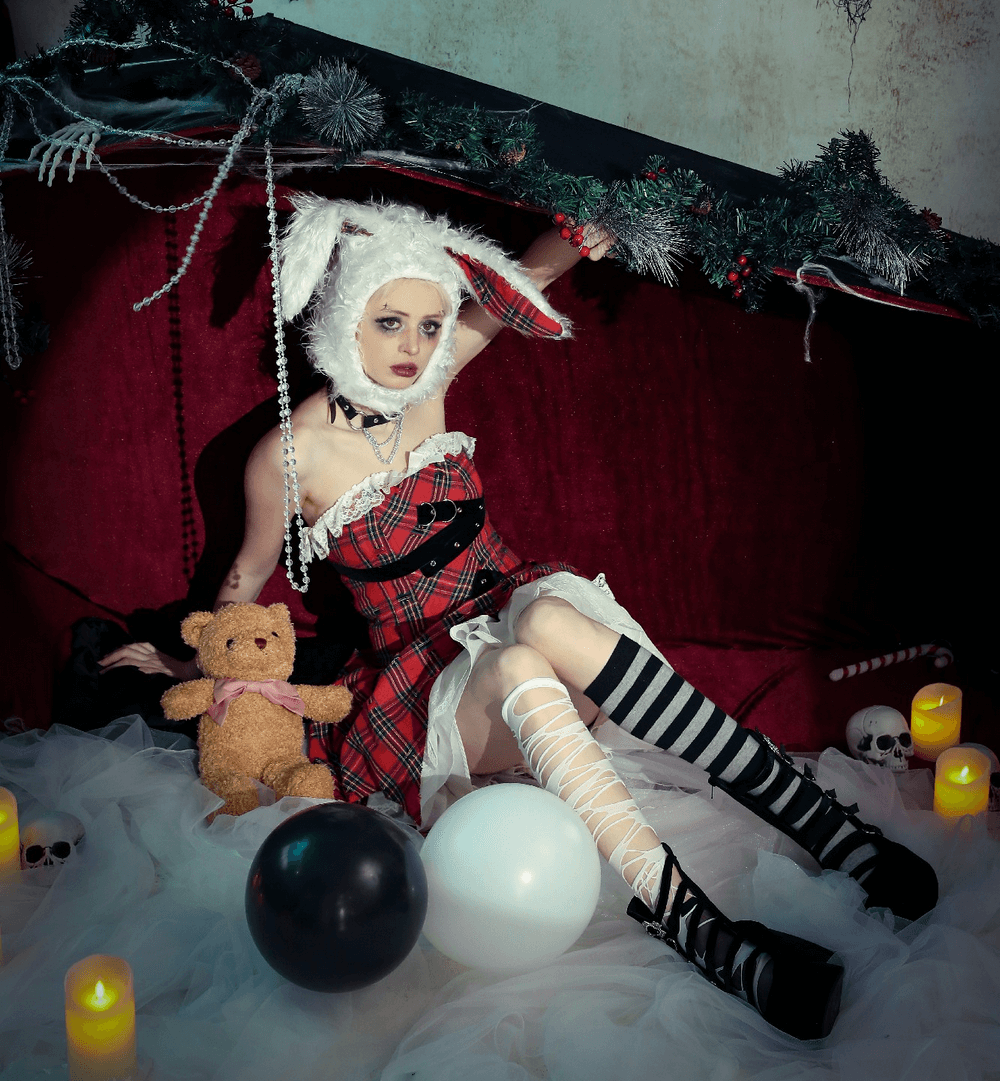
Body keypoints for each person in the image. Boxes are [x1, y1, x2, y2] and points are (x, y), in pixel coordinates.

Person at [102, 194, 939, 1040]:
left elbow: (516, 287)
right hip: (436, 693)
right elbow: (245, 574)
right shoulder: (291, 453)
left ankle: (817, 820)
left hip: (531, 622)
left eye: (430, 326)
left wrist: (587, 227)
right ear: (342, 318)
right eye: (389, 323)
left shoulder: (429, 385)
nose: (413, 348)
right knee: (514, 661)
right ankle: (691, 922)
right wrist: (194, 667)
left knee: (540, 626)